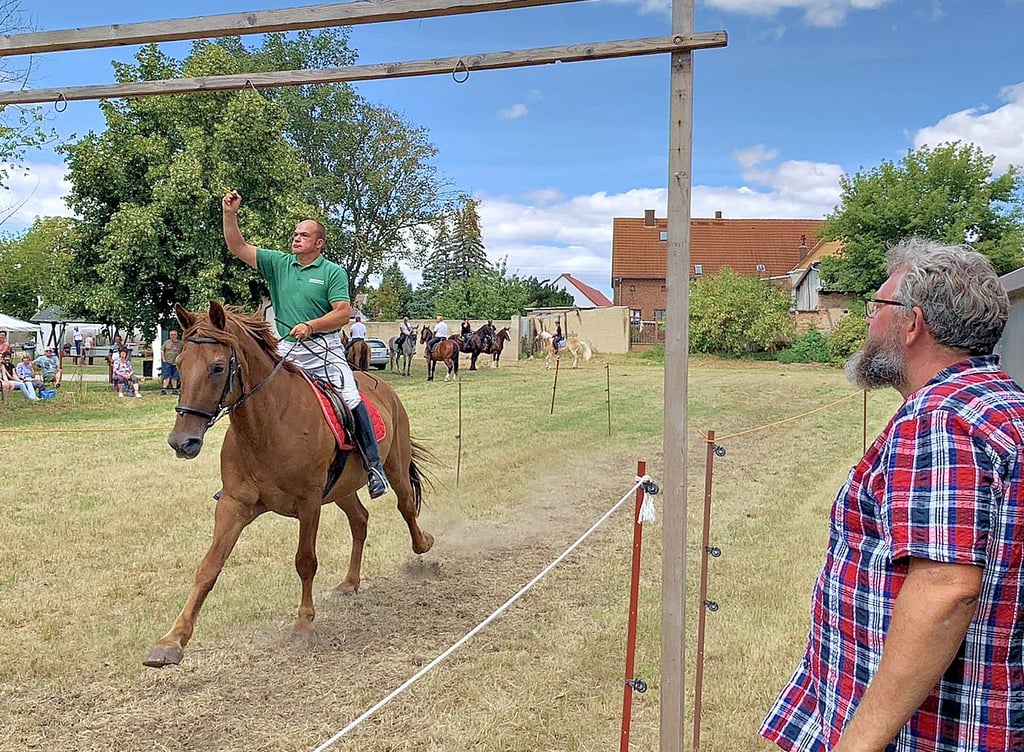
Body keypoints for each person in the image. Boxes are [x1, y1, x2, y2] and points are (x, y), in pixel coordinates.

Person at [761, 237, 1024, 752]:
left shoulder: (940, 419)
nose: (867, 320)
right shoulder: (1000, 401)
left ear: (912, 324)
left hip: (934, 729)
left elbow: (945, 589)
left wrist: (857, 744)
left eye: (876, 306)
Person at [221, 190, 389, 499]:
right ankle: (242, 474)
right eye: (296, 234)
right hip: (287, 348)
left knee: (351, 396)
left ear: (319, 243)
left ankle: (374, 467)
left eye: (304, 235)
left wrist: (311, 325)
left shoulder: (332, 272)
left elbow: (342, 313)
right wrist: (229, 214)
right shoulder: (278, 263)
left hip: (324, 349)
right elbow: (237, 246)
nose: (296, 238)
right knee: (252, 394)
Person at [161, 329, 182, 396]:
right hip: (167, 362)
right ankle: (164, 389)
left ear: (177, 335)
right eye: (171, 335)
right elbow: (162, 351)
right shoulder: (166, 343)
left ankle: (174, 389)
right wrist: (163, 359)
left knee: (175, 377)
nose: (172, 336)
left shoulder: (181, 343)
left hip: (176, 363)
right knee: (166, 376)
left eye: (174, 334)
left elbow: (183, 352)